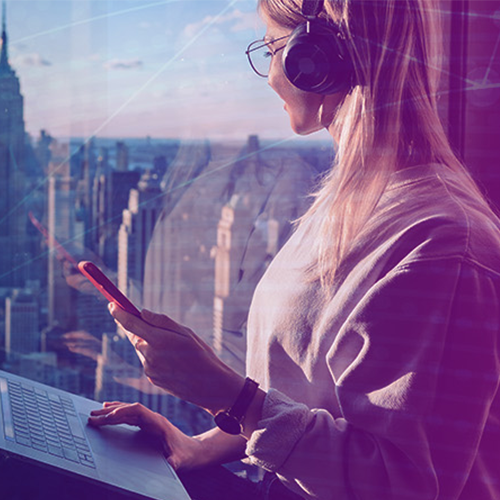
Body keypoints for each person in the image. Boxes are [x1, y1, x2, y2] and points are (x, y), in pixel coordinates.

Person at [88, 0, 500, 499]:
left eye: (271, 49)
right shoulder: (349, 203)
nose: (268, 77)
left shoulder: (441, 245)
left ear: (314, 57)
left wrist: (224, 393)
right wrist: (198, 446)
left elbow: (407, 485)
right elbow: (312, 401)